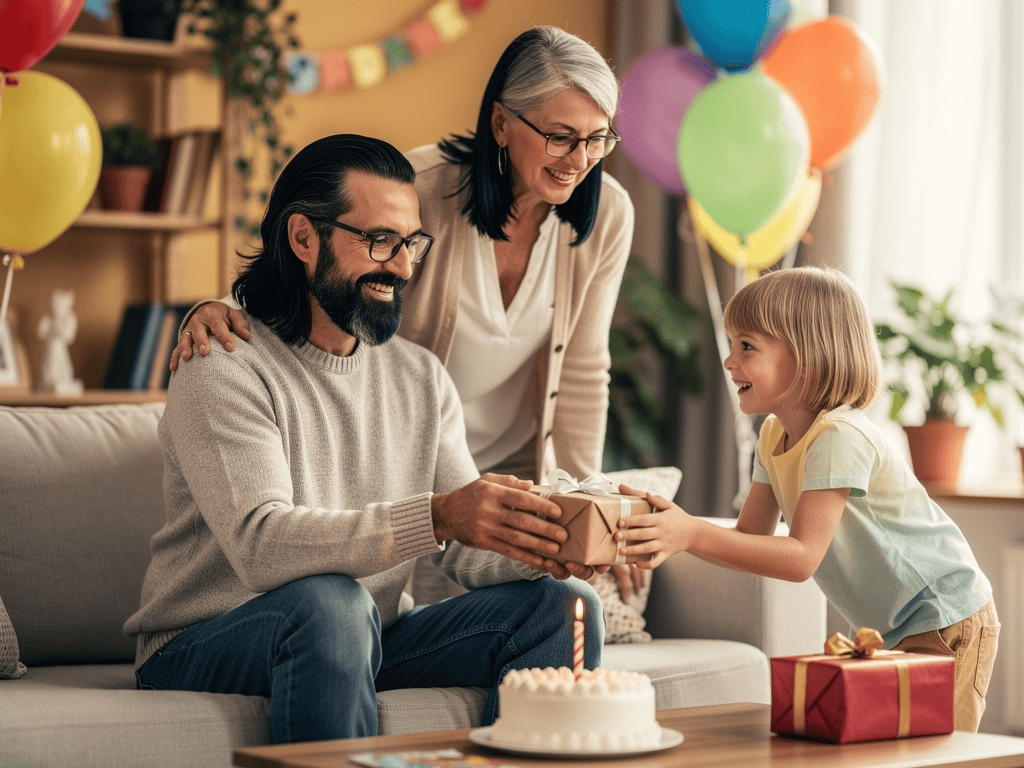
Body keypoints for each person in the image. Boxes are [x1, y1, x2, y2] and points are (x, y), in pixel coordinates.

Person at [124, 133, 605, 745]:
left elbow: (465, 545)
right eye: (379, 241)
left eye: (410, 244)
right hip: (201, 641)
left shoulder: (420, 377)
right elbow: (262, 546)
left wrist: (548, 541)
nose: (402, 266)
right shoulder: (222, 360)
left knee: (563, 605)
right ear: (304, 238)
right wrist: (438, 516)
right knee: (332, 605)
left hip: (355, 634)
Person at [172, 25, 643, 603]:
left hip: (494, 465)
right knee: (348, 603)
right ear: (501, 123)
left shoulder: (608, 216)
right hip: (400, 464)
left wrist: (579, 514)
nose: (581, 161)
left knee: (559, 602)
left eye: (599, 140)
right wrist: (216, 307)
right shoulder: (417, 194)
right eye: (561, 137)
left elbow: (582, 372)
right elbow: (314, 259)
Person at [614, 267, 999, 732]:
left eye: (746, 346)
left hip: (947, 615)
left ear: (807, 359)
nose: (728, 361)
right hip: (903, 624)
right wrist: (671, 535)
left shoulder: (839, 436)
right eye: (731, 344)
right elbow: (750, 539)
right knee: (897, 748)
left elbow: (800, 559)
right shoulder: (774, 434)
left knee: (938, 753)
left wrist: (690, 531)